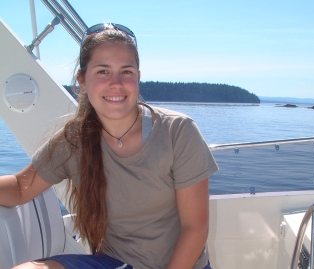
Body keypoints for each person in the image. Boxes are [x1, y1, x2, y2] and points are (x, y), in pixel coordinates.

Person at [0, 23, 218, 269]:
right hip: (116, 263)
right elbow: (20, 187)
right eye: (103, 71)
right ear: (82, 81)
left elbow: (195, 227)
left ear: (138, 76)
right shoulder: (74, 140)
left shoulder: (177, 131)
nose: (116, 83)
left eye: (126, 71)